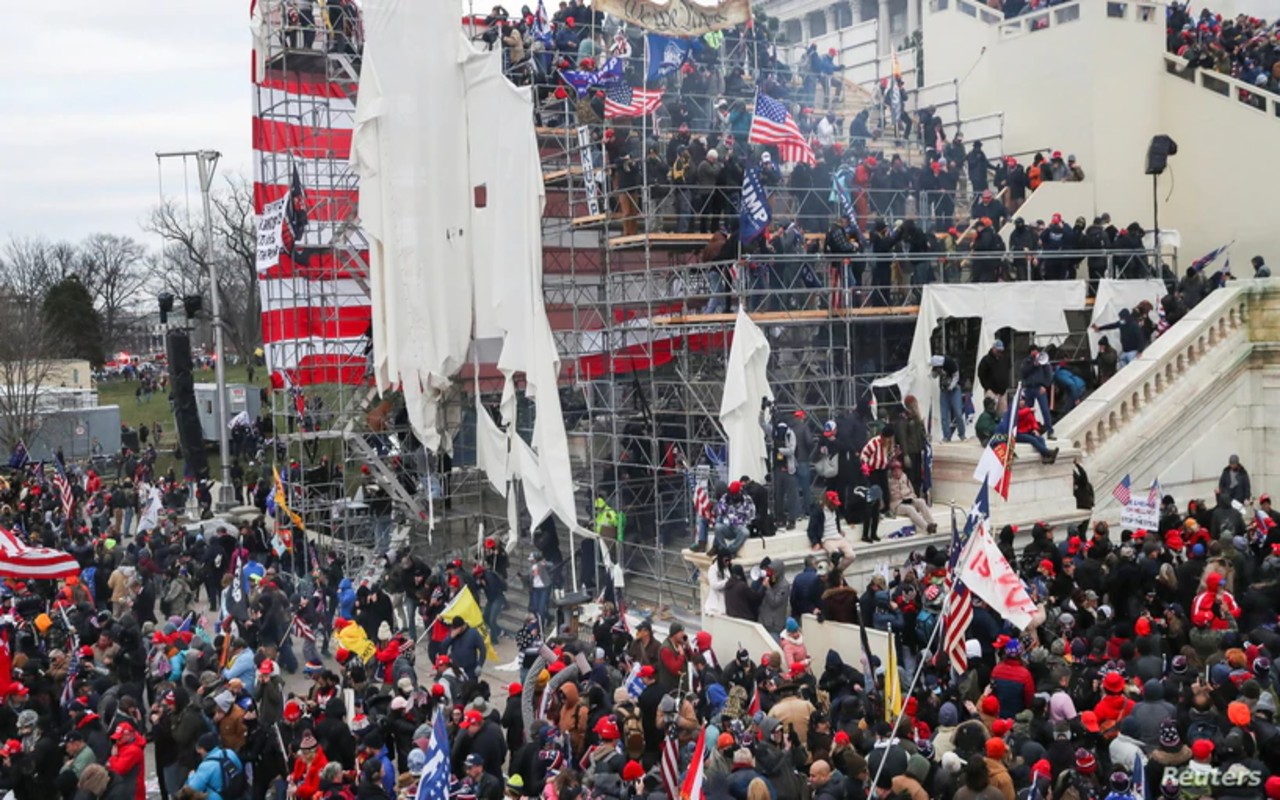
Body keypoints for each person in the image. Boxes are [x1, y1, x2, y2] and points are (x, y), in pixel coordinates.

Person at [807, 490, 855, 571]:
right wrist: (815, 542)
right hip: (827, 538)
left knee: (851, 555)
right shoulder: (818, 511)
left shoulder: (835, 510)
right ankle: (834, 574)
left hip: (837, 536)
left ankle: (837, 572)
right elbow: (811, 529)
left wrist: (839, 530)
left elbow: (836, 522)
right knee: (835, 555)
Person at [886, 461, 937, 533]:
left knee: (921, 501)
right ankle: (926, 527)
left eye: (899, 470)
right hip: (897, 504)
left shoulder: (905, 477)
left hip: (908, 499)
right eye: (895, 471)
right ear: (892, 472)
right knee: (910, 509)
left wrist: (913, 498)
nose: (897, 473)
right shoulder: (888, 481)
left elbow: (911, 489)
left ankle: (931, 523)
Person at [712, 481, 756, 556]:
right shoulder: (725, 497)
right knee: (717, 527)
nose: (733, 496)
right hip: (727, 526)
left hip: (740, 526)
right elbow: (719, 512)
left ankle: (731, 550)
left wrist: (743, 522)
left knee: (745, 532)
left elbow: (751, 515)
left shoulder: (747, 499)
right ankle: (723, 550)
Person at [930, 353, 964, 442]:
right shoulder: (937, 368)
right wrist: (936, 372)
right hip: (944, 391)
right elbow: (933, 376)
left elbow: (956, 376)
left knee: (958, 412)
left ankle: (962, 434)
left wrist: (951, 386)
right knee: (944, 414)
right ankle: (946, 436)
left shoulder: (950, 363)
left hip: (954, 389)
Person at [976, 340, 1012, 416]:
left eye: (1001, 350)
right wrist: (987, 387)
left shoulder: (1005, 359)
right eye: (998, 350)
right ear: (993, 348)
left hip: (1003, 392)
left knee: (1003, 415)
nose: (999, 352)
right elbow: (981, 374)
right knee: (990, 414)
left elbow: (1008, 369)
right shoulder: (986, 360)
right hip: (991, 392)